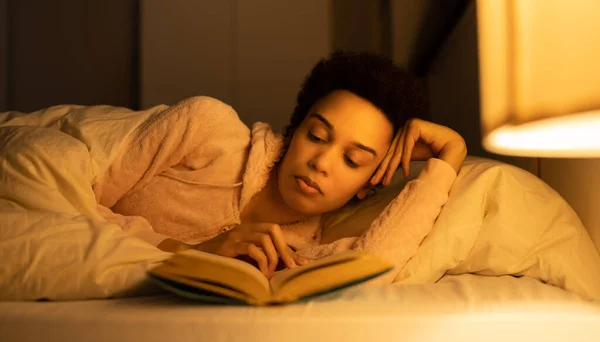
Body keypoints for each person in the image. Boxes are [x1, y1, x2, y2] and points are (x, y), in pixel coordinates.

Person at [97, 51, 467, 281]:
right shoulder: (206, 128)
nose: (320, 162)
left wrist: (451, 152)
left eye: (352, 160)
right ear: (294, 130)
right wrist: (181, 250)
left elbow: (371, 266)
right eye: (317, 136)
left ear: (368, 183)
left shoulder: (300, 248)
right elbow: (73, 194)